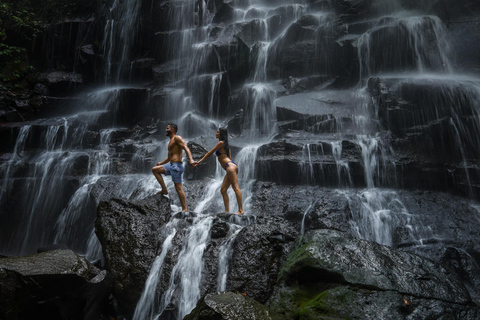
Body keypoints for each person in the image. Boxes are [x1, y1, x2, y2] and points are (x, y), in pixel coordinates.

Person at [193, 127, 244, 215]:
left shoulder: (220, 143)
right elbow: (230, 158)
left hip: (230, 167)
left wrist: (199, 161)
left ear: (221, 134)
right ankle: (227, 211)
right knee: (223, 190)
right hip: (231, 166)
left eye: (217, 132)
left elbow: (209, 153)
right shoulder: (227, 146)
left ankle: (241, 210)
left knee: (235, 188)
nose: (216, 133)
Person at [152, 123, 194, 212]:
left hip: (177, 166)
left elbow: (186, 148)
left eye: (167, 128)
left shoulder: (177, 138)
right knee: (155, 170)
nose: (165, 130)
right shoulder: (170, 141)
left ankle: (185, 208)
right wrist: (161, 163)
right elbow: (169, 157)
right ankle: (164, 189)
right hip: (171, 165)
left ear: (172, 130)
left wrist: (191, 160)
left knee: (178, 187)